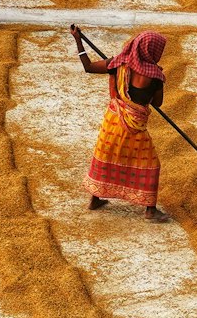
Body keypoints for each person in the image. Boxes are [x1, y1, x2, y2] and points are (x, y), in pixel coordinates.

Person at [70, 25, 169, 222]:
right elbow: (157, 103)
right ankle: (150, 210)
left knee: (109, 156)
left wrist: (78, 40)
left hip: (113, 122)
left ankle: (95, 198)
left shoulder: (117, 64)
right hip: (134, 127)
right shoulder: (155, 76)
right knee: (150, 164)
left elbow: (88, 67)